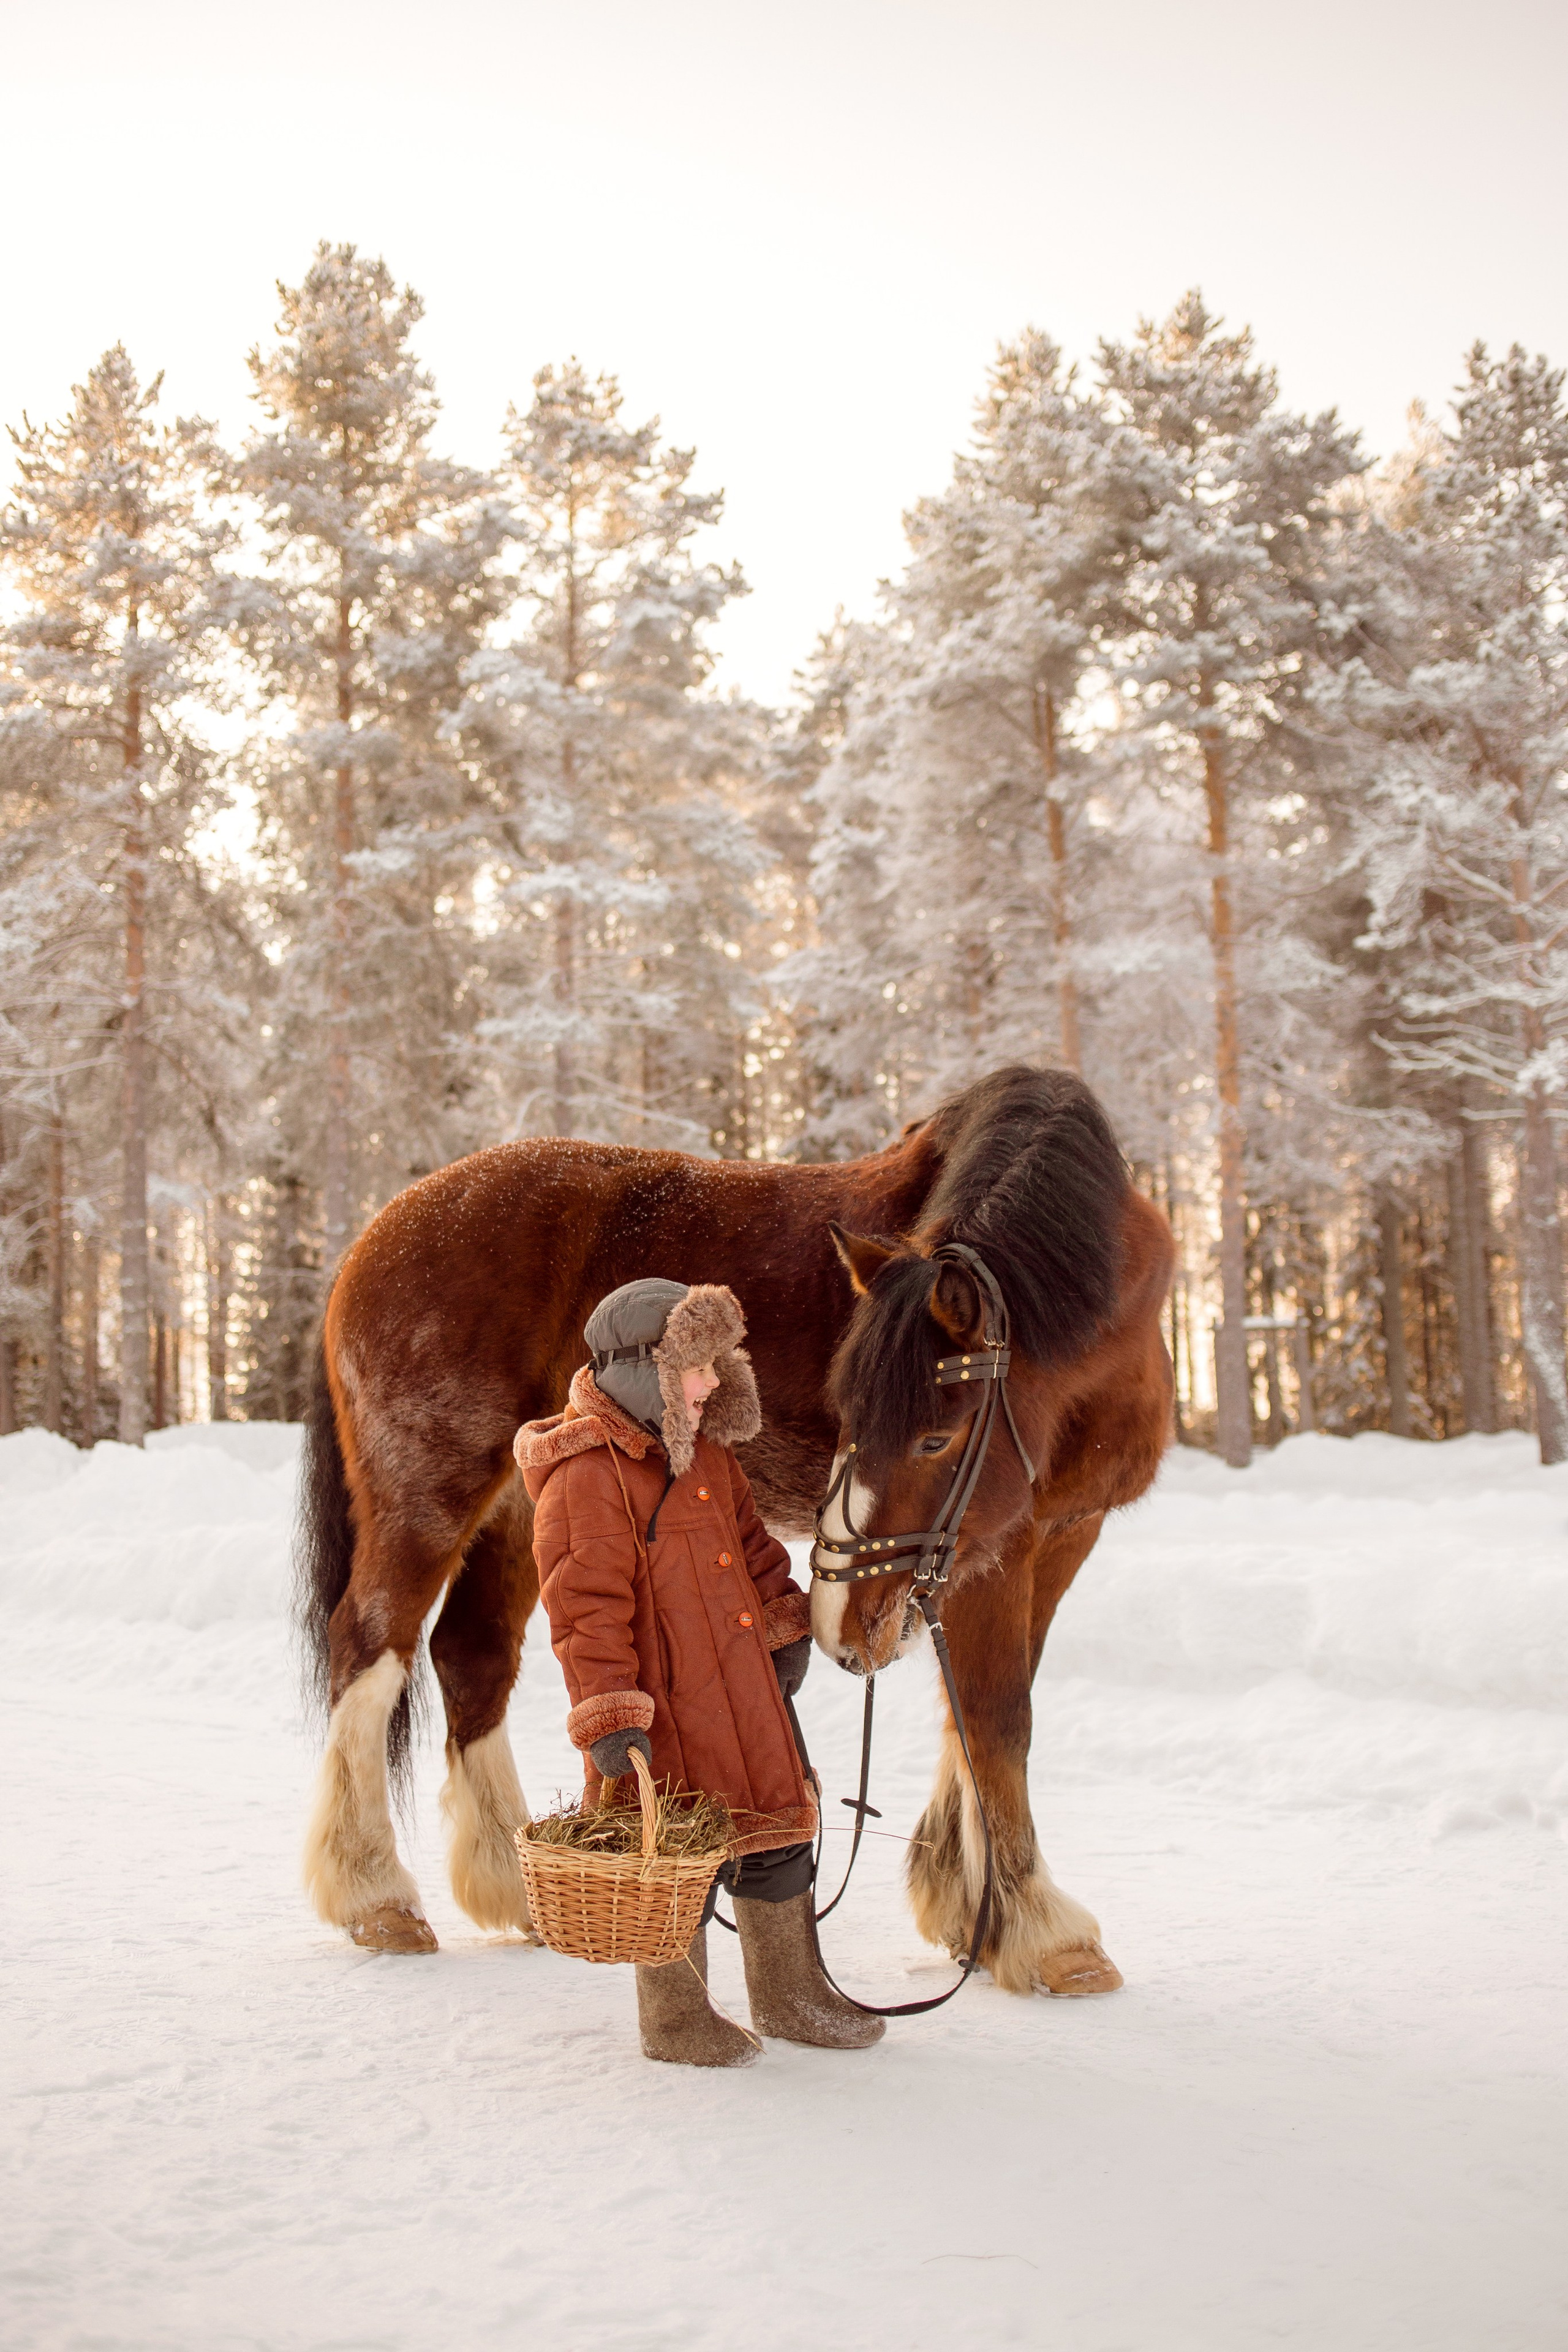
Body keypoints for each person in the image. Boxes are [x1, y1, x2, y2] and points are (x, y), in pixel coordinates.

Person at [514, 1278, 884, 2067]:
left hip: (745, 1691)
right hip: (668, 1713)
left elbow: (754, 1546)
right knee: (681, 1865)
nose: (715, 1381)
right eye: (699, 1365)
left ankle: (791, 1996)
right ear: (644, 1369)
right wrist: (611, 1716)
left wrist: (784, 1622)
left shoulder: (707, 1452)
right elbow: (584, 1614)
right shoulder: (588, 1477)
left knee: (778, 1838)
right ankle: (677, 2020)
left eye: (721, 1365)